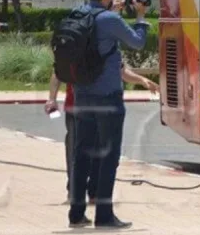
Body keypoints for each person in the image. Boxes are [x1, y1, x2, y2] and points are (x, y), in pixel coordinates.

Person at [67, 0, 149, 229]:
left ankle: (76, 213)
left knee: (81, 153)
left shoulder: (78, 14)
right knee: (108, 155)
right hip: (108, 96)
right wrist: (141, 16)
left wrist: (112, 12)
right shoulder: (110, 19)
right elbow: (137, 41)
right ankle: (104, 214)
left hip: (82, 94)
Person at [45, 65, 159, 204]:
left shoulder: (91, 44)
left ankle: (83, 194)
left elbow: (120, 70)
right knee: (87, 151)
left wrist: (142, 80)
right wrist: (52, 98)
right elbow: (58, 72)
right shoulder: (93, 44)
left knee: (84, 152)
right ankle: (84, 194)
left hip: (83, 107)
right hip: (88, 107)